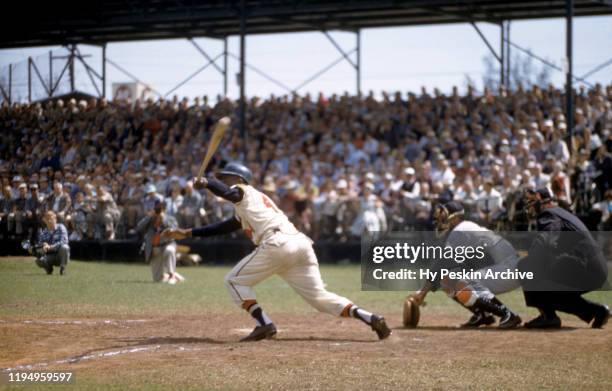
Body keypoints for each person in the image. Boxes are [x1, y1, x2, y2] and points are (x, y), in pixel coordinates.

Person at [165, 162, 391, 342]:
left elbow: (231, 194)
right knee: (320, 298)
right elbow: (222, 227)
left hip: (278, 243)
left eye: (227, 178)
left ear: (239, 179)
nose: (224, 182)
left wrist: (208, 183)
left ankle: (264, 324)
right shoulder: (249, 206)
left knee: (233, 281)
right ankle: (370, 317)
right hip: (299, 244)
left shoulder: (244, 190)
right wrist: (188, 232)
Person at [410, 201, 522, 329]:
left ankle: (508, 315)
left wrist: (422, 293)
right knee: (448, 280)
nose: (440, 220)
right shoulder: (464, 229)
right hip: (505, 267)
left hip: (508, 268)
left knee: (463, 282)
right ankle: (482, 315)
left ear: (456, 218)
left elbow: (442, 264)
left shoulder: (461, 229)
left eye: (444, 216)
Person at [519, 188, 610, 328]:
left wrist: (531, 256)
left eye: (532, 201)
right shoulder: (560, 212)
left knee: (525, 266)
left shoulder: (548, 213)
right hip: (595, 269)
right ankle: (598, 311)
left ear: (541, 201)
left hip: (584, 266)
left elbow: (545, 241)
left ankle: (548, 316)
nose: (529, 206)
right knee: (552, 290)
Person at [135, 200, 184, 284]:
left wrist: (164, 219)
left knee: (169, 251)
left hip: (168, 244)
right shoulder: (150, 219)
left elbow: (175, 229)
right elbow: (139, 228)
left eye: (161, 208)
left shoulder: (170, 218)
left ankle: (172, 275)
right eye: (157, 208)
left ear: (165, 209)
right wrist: (150, 217)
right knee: (157, 280)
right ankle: (175, 276)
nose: (159, 210)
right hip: (155, 249)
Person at [33, 211, 70, 275]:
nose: (49, 220)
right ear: (44, 220)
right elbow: (39, 245)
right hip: (50, 256)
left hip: (60, 255)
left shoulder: (61, 227)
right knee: (38, 260)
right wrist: (41, 246)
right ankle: (49, 269)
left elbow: (64, 241)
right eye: (47, 218)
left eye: (51, 217)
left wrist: (50, 247)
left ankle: (63, 268)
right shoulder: (43, 232)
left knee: (65, 247)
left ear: (55, 218)